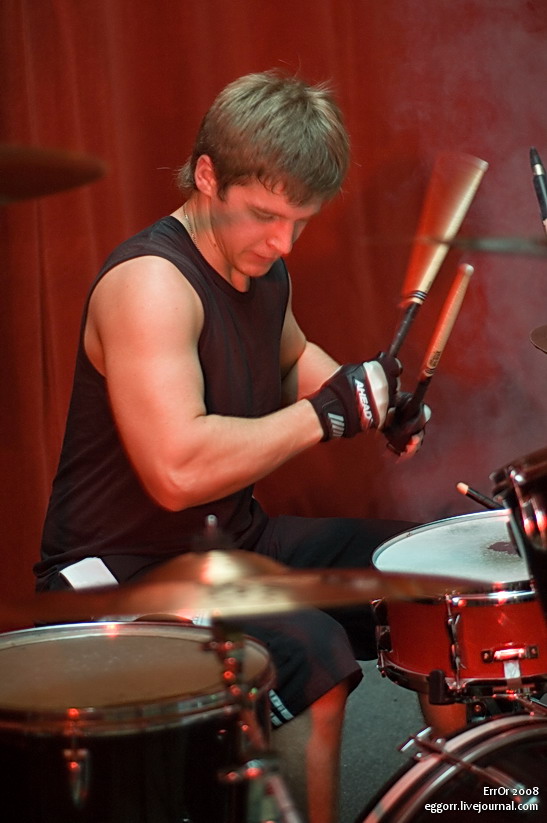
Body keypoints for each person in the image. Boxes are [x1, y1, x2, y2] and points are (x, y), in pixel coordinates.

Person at [35, 71, 431, 823]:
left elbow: (291, 358)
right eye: (264, 216)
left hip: (228, 542)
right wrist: (326, 414)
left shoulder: (262, 268)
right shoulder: (151, 284)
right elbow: (178, 470)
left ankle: (475, 791)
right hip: (120, 572)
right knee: (311, 655)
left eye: (299, 223)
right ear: (207, 175)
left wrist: (375, 404)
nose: (282, 242)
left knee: (427, 574)